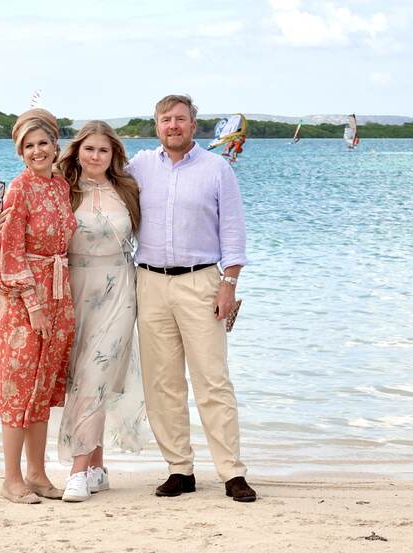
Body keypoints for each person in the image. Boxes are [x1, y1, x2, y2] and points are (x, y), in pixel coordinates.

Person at [0, 122, 149, 503]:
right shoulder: (63, 185)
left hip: (118, 291)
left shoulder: (129, 188)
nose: (96, 157)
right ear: (76, 152)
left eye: (104, 151)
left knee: (96, 374)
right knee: (72, 378)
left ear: (114, 156)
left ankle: (78, 472)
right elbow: (24, 230)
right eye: (89, 149)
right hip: (68, 291)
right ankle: (95, 466)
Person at [128, 94, 257, 502]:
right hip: (148, 283)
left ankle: (231, 473)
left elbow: (233, 230)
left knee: (212, 380)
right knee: (161, 383)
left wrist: (229, 284)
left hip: (202, 282)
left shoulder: (217, 169)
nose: (173, 126)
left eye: (180, 119)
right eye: (165, 120)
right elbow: (95, 188)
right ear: (157, 126)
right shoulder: (139, 167)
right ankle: (179, 469)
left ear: (193, 125)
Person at [0, 109, 77, 504]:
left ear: (56, 146)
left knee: (43, 390)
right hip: (24, 302)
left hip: (60, 295)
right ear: (20, 152)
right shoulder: (19, 189)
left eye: (43, 143)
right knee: (18, 388)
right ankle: (12, 479)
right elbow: (10, 252)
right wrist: (32, 303)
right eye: (28, 146)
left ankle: (38, 475)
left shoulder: (60, 187)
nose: (37, 151)